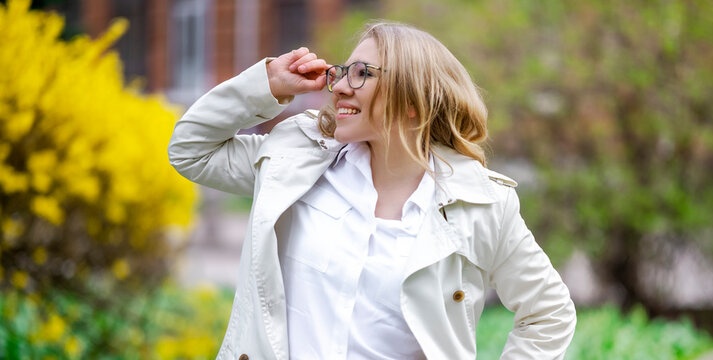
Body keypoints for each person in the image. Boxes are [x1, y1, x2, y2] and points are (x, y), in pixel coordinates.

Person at [168, 21, 576, 360]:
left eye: (362, 74)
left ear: (414, 99)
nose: (340, 87)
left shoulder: (482, 205)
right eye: (344, 71)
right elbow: (190, 151)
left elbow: (549, 313)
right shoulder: (297, 160)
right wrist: (267, 83)